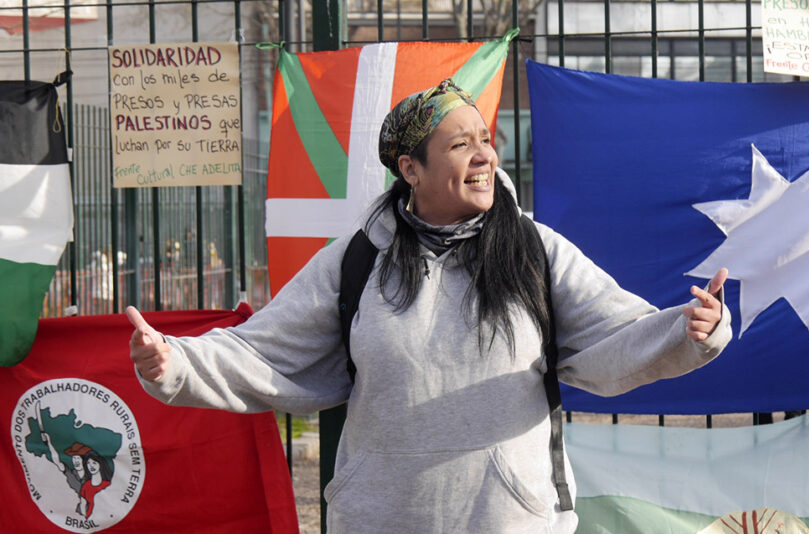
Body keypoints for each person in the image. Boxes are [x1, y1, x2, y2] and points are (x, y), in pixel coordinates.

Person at [127, 79, 732, 533]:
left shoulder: (535, 251)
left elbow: (616, 334)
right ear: (410, 168)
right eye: (461, 144)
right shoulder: (356, 259)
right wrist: (174, 361)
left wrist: (689, 331)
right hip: (379, 520)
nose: (486, 157)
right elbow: (263, 350)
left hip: (513, 521)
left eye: (486, 142)